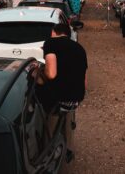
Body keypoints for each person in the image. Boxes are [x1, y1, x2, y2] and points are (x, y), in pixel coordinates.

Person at [36, 23, 88, 159]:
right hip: (76, 98)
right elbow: (84, 79)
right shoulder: (80, 48)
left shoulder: (50, 43)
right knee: (66, 113)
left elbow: (51, 74)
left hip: (58, 98)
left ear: (54, 32)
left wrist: (40, 72)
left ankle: (45, 148)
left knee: (38, 95)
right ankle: (68, 147)